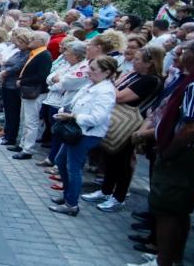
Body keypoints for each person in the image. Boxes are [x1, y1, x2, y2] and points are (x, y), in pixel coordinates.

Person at [124, 38, 194, 266]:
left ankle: (163, 265)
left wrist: (169, 150)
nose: (179, 52)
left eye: (186, 50)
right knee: (178, 210)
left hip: (185, 155)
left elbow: (193, 126)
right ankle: (172, 259)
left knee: (169, 209)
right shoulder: (189, 79)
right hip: (187, 154)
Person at [82, 45, 162, 212]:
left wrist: (109, 84)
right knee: (111, 158)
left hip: (128, 124)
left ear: (149, 63)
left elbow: (117, 96)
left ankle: (118, 197)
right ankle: (105, 191)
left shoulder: (150, 80)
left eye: (138, 59)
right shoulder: (135, 75)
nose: (133, 61)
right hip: (117, 120)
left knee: (123, 162)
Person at [49, 56, 119, 216]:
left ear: (107, 72)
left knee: (73, 168)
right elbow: (74, 104)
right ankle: (68, 195)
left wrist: (72, 117)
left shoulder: (105, 91)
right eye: (90, 67)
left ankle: (71, 204)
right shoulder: (90, 85)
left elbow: (96, 118)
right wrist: (65, 112)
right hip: (76, 132)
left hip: (86, 134)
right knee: (60, 161)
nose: (89, 71)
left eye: (93, 69)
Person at [38, 39, 90, 170]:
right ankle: (52, 158)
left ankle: (58, 163)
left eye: (68, 51)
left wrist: (57, 82)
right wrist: (55, 81)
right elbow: (50, 77)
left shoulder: (83, 67)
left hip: (64, 103)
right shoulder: (66, 64)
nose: (65, 53)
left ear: (77, 55)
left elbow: (67, 83)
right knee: (54, 131)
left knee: (61, 134)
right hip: (52, 100)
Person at [12, 31, 52, 160]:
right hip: (28, 90)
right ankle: (23, 144)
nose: (30, 40)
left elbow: (42, 76)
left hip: (35, 92)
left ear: (41, 41)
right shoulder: (36, 53)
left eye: (33, 39)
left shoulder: (44, 55)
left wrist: (22, 81)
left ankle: (28, 149)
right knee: (25, 119)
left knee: (31, 121)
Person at [0, 28, 31, 149]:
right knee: (8, 111)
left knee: (13, 113)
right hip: (6, 83)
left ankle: (11, 137)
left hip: (13, 85)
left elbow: (18, 67)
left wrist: (5, 72)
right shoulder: (18, 52)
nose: (18, 44)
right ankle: (7, 133)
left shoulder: (27, 54)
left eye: (21, 42)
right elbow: (6, 62)